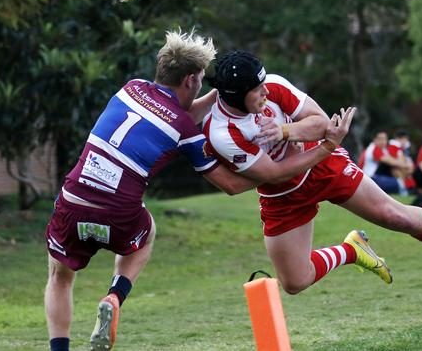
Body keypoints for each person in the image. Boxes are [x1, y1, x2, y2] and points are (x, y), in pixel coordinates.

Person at [43, 30, 346, 351]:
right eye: (201, 79)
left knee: (60, 278)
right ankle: (115, 296)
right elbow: (230, 185)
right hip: (119, 210)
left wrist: (227, 91)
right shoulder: (183, 130)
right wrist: (308, 153)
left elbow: (178, 108)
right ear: (190, 80)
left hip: (73, 198)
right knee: (144, 236)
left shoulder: (130, 88)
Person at [204, 50, 422, 298]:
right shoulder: (223, 132)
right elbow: (273, 174)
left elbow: (320, 121)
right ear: (234, 95)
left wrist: (287, 130)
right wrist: (326, 147)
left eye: (263, 86)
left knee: (395, 216)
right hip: (283, 191)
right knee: (295, 282)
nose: (264, 93)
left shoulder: (272, 86)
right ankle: (352, 250)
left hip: (322, 166)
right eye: (256, 91)